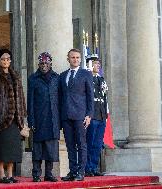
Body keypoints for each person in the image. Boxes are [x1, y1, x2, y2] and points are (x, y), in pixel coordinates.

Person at [0, 49, 27, 184]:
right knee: (0, 147)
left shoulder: (15, 75)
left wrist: (22, 114)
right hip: (0, 117)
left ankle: (10, 174)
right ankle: (1, 174)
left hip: (15, 117)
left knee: (13, 148)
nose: (6, 61)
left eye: (8, 59)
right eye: (3, 59)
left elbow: (21, 96)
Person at [59, 48, 94, 181]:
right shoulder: (62, 75)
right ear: (68, 59)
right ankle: (73, 171)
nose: (75, 60)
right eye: (73, 57)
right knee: (69, 144)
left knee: (81, 144)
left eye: (78, 57)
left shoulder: (86, 74)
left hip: (81, 115)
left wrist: (89, 114)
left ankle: (81, 172)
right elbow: (61, 96)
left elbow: (90, 96)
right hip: (66, 115)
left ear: (80, 59)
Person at [27, 52, 60, 182]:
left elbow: (60, 100)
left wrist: (60, 121)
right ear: (38, 64)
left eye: (46, 63)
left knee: (50, 149)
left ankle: (49, 173)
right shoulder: (33, 79)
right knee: (38, 149)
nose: (44, 65)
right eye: (42, 63)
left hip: (53, 119)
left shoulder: (56, 78)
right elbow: (30, 101)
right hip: (39, 118)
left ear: (50, 63)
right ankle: (36, 173)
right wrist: (31, 121)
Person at [85, 55, 108, 177]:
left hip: (101, 116)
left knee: (98, 144)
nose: (98, 66)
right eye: (95, 63)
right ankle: (87, 168)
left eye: (99, 64)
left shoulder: (101, 79)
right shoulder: (87, 79)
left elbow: (104, 98)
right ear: (89, 64)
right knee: (89, 143)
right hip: (92, 116)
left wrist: (105, 115)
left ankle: (93, 167)